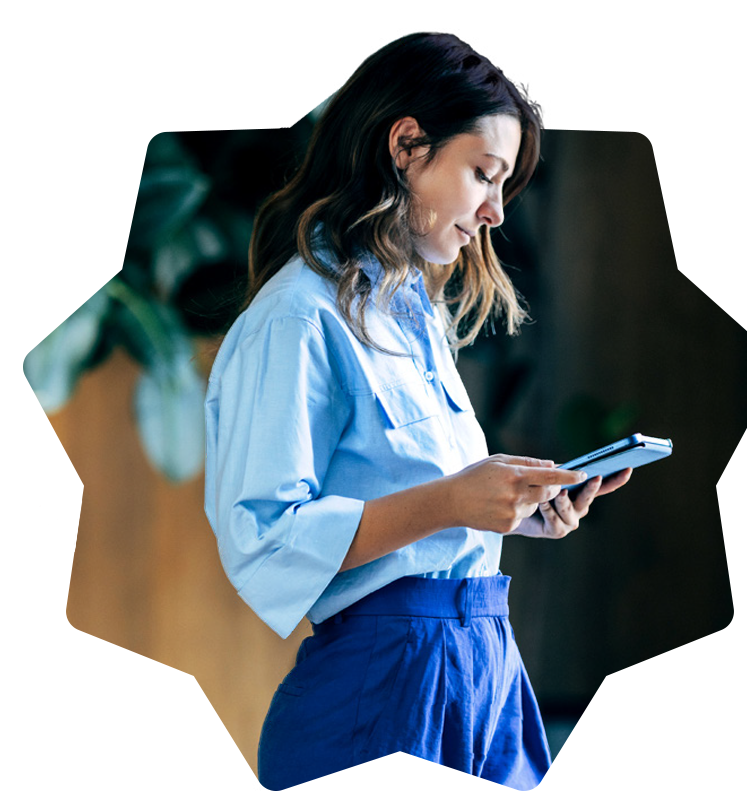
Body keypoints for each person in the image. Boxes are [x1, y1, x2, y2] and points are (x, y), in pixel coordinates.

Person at [204, 31, 632, 791]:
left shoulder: (413, 316)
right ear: (407, 145)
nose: (497, 212)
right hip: (385, 686)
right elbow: (262, 537)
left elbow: (411, 506)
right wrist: (450, 501)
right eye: (484, 174)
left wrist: (509, 511)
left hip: (485, 670)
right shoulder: (297, 319)